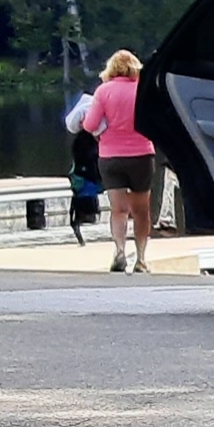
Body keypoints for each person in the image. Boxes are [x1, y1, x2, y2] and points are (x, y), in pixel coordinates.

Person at [79, 49, 154, 272]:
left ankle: (120, 251)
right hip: (141, 156)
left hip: (111, 157)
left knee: (118, 209)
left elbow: (90, 125)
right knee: (141, 211)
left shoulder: (103, 92)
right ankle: (141, 258)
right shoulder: (144, 91)